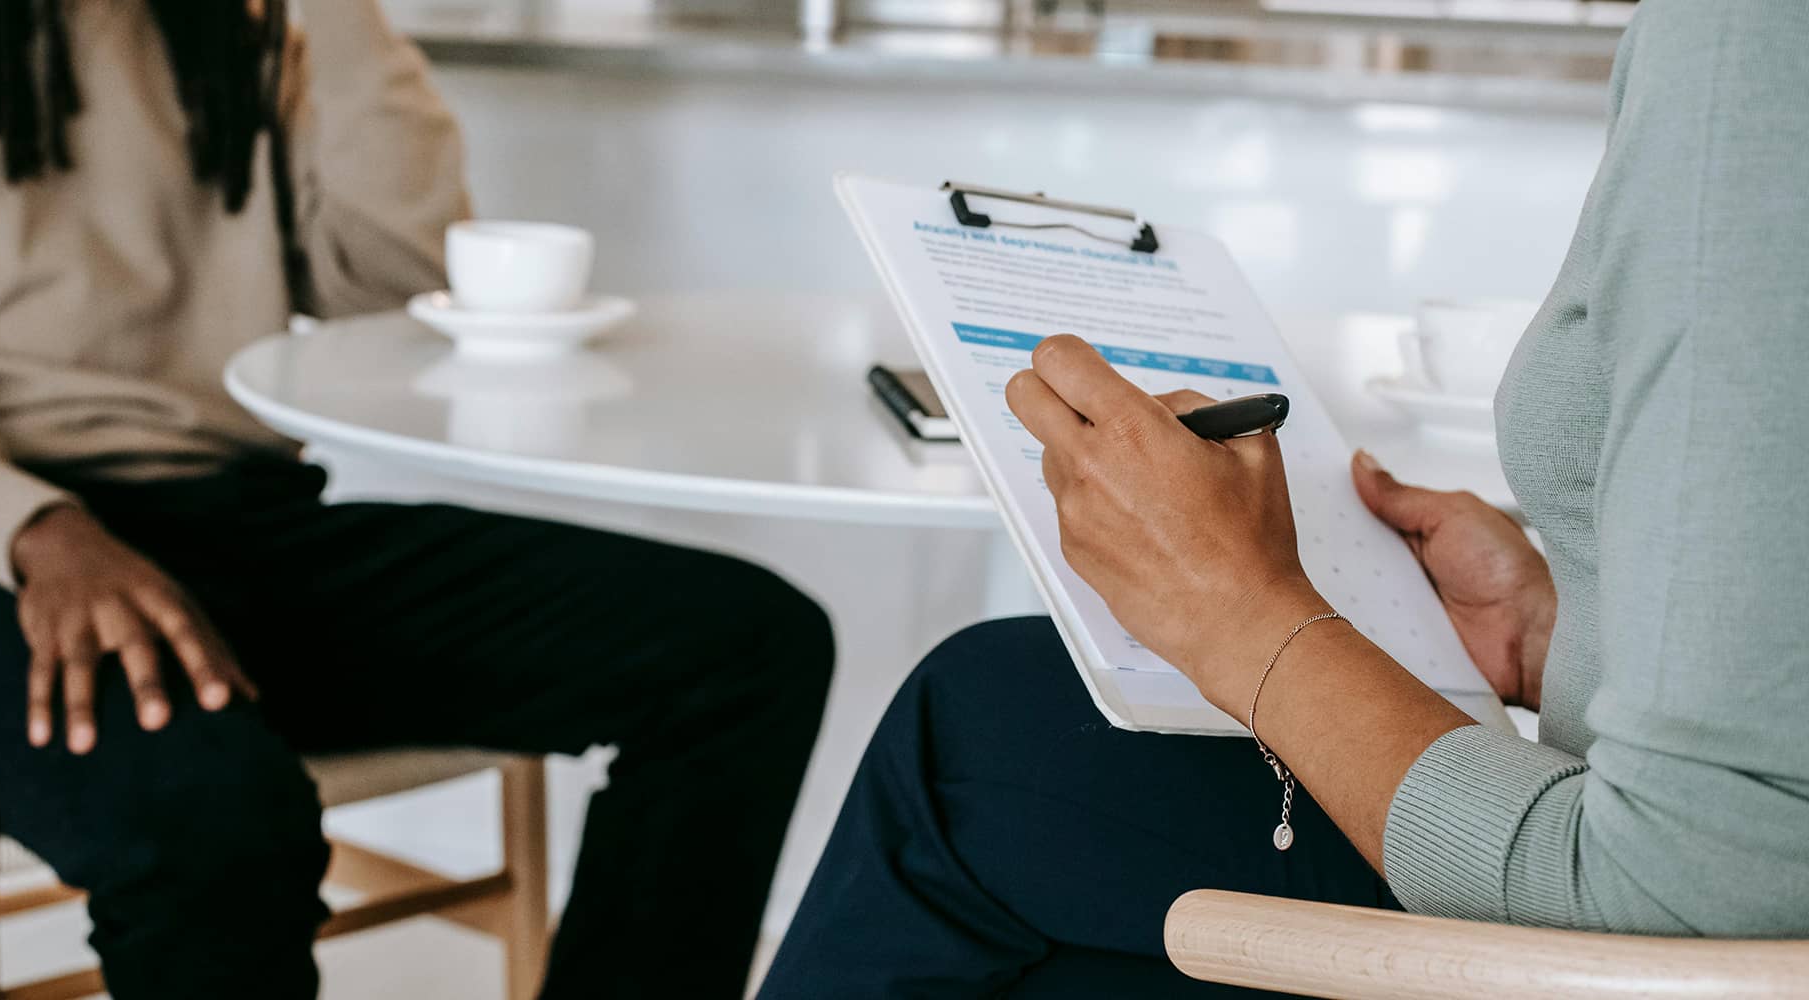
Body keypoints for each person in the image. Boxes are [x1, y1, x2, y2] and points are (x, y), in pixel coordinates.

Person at [758, 1, 1809, 996]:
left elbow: (1683, 899)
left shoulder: (1747, 48)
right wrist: (1559, 635)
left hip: (1625, 953)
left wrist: (1241, 617)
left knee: (980, 727)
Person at [0, 2, 833, 997]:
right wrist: (34, 530)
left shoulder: (239, 25)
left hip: (236, 515)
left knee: (743, 649)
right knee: (213, 821)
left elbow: (401, 284)